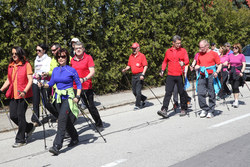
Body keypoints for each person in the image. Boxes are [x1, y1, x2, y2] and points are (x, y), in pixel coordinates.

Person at [40, 48, 82, 155]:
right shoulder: (55, 70)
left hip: (68, 98)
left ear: (67, 57)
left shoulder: (71, 70)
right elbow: (50, 84)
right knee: (65, 120)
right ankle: (75, 137)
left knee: (62, 120)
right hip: (58, 99)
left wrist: (77, 96)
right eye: (58, 57)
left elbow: (79, 84)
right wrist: (42, 85)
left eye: (63, 56)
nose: (60, 58)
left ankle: (56, 146)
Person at [0, 46, 35, 148]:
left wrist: (25, 91)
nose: (14, 55)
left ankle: (20, 139)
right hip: (13, 94)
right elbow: (8, 80)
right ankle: (28, 127)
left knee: (20, 116)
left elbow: (30, 80)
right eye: (12, 54)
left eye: (16, 53)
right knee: (13, 116)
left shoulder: (26, 65)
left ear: (20, 54)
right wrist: (1, 89)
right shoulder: (11, 66)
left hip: (23, 94)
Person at [70, 41, 104, 131]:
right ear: (74, 49)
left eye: (80, 48)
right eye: (76, 48)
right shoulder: (72, 60)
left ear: (83, 49)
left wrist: (84, 79)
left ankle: (99, 123)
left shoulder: (88, 58)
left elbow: (92, 72)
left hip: (86, 86)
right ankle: (68, 129)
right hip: (75, 87)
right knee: (73, 107)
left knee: (91, 107)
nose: (78, 50)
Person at [157, 35, 189, 118]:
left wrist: (183, 63)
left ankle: (183, 108)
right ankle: (164, 109)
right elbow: (165, 62)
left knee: (181, 92)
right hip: (170, 75)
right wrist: (162, 70)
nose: (179, 45)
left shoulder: (183, 50)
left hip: (179, 75)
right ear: (173, 43)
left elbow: (187, 60)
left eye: (180, 43)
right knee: (168, 92)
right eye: (177, 43)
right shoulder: (168, 51)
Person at [195, 40, 222, 118]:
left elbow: (219, 64)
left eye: (202, 47)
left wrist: (217, 72)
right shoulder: (199, 54)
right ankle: (204, 108)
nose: (200, 49)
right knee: (200, 92)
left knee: (211, 93)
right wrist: (196, 67)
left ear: (207, 46)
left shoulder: (214, 53)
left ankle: (211, 110)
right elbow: (198, 64)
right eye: (199, 47)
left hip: (211, 75)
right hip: (202, 75)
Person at [31, 44, 56, 127]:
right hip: (36, 82)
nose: (37, 52)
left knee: (46, 103)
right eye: (36, 50)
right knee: (35, 101)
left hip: (44, 82)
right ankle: (35, 120)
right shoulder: (36, 59)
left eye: (39, 50)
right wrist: (34, 77)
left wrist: (41, 77)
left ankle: (57, 114)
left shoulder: (48, 59)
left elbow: (48, 72)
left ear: (44, 51)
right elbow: (36, 70)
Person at [122, 42, 148, 110]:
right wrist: (125, 69)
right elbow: (129, 65)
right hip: (134, 76)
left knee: (138, 91)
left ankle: (137, 105)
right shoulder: (131, 56)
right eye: (132, 49)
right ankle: (144, 98)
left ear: (138, 49)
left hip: (140, 75)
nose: (133, 50)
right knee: (134, 91)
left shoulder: (142, 56)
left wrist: (143, 74)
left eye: (134, 49)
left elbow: (145, 66)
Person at [228, 43, 246, 108]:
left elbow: (244, 64)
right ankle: (235, 99)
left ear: (239, 49)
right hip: (231, 73)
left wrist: (242, 71)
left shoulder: (241, 56)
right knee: (233, 86)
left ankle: (236, 101)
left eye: (236, 48)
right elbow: (228, 62)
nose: (234, 49)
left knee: (235, 86)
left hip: (238, 73)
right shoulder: (230, 55)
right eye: (233, 48)